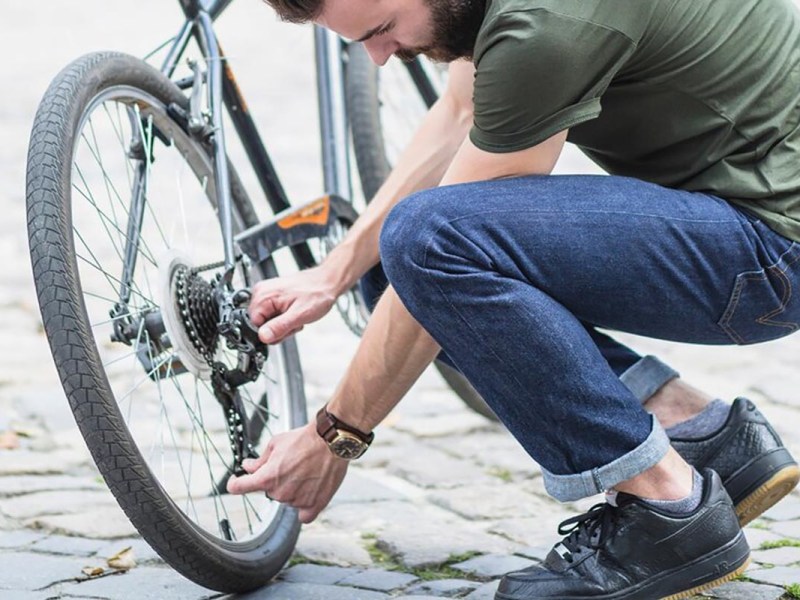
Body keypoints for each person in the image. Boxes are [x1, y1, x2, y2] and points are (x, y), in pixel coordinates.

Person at [227, 0, 800, 596]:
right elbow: (459, 109)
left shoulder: (544, 22)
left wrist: (333, 437)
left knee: (426, 246)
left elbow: (439, 249)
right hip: (748, 211)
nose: (376, 57)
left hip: (773, 251)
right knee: (387, 264)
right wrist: (334, 272)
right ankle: (701, 435)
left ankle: (664, 508)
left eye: (382, 30)